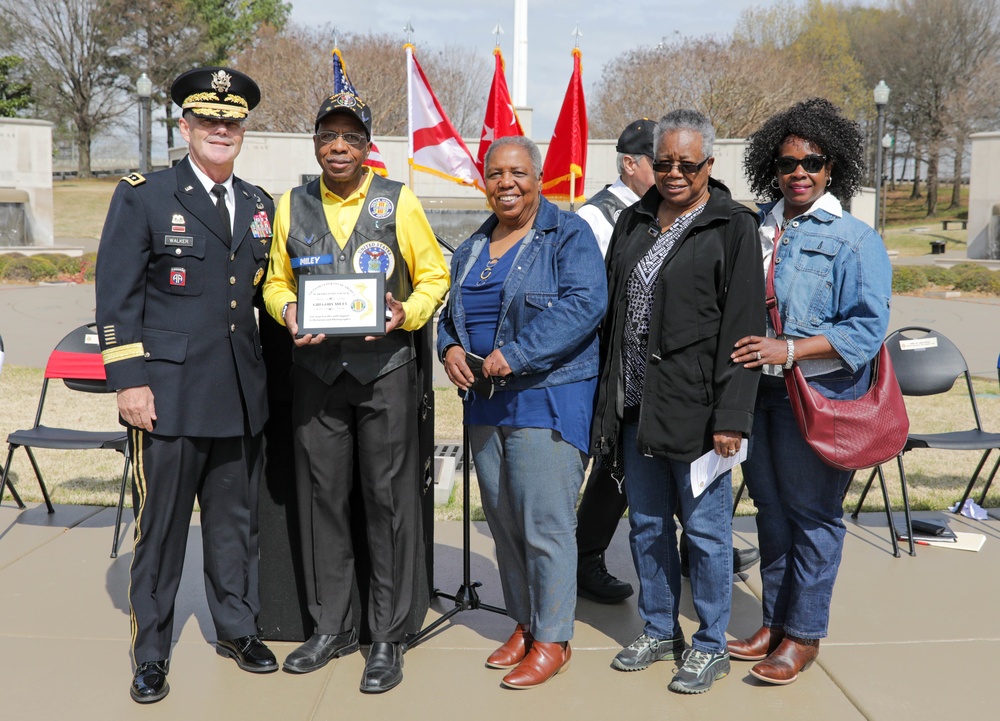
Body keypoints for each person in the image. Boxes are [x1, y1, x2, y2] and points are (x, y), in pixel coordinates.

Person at [95, 67, 277, 704]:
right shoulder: (145, 195)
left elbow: (267, 298)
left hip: (237, 396)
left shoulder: (259, 205)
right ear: (186, 126)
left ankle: (237, 628)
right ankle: (151, 653)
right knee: (162, 529)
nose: (221, 130)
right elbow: (115, 299)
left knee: (235, 526)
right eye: (209, 120)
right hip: (165, 398)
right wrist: (128, 383)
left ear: (242, 131)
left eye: (231, 122)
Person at [262, 90, 448, 694]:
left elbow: (433, 276)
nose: (338, 146)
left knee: (388, 501)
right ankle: (330, 626)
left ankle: (387, 635)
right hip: (318, 376)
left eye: (351, 137)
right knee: (323, 500)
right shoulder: (292, 205)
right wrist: (288, 309)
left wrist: (408, 313)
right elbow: (274, 281)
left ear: (369, 147)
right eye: (328, 136)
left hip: (384, 372)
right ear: (316, 143)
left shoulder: (399, 202)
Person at [591, 109, 764, 694]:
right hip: (637, 405)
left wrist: (732, 417)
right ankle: (660, 628)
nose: (673, 173)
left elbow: (745, 327)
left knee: (708, 533)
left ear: (709, 166)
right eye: (663, 162)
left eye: (687, 164)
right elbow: (614, 314)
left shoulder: (731, 225)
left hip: (699, 414)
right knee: (644, 525)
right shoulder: (634, 221)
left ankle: (711, 643)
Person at [727, 97, 892, 685]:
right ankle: (774, 623)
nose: (799, 171)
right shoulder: (757, 227)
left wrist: (790, 349)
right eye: (787, 161)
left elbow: (867, 330)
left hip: (819, 397)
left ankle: (804, 634)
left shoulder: (854, 238)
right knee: (769, 512)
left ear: (832, 168)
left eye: (812, 162)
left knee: (813, 516)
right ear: (771, 167)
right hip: (760, 395)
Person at [438, 136, 607, 689]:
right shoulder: (470, 247)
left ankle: (554, 637)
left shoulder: (567, 234)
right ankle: (524, 621)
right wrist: (450, 348)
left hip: (547, 399)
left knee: (544, 522)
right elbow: (450, 315)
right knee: (504, 522)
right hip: (486, 406)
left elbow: (587, 303)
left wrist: (518, 353)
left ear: (538, 178)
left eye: (517, 173)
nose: (505, 183)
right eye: (495, 173)